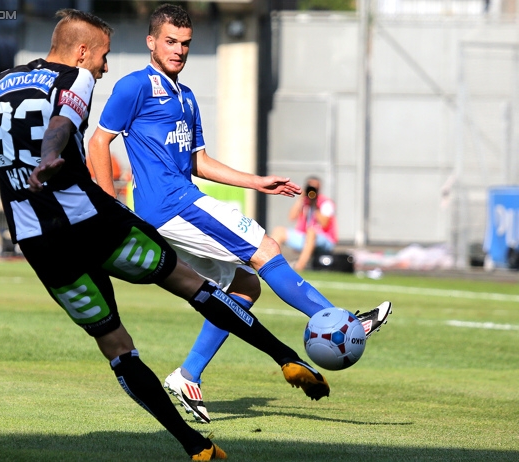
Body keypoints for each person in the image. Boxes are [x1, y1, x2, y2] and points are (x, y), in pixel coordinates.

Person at [0, 9, 331, 461]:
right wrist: (53, 155)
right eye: (103, 57)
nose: (105, 67)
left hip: (37, 240)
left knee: (117, 348)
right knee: (193, 284)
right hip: (92, 221)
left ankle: (196, 447)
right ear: (83, 50)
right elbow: (66, 126)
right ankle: (286, 356)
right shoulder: (77, 75)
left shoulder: (1, 81)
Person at [88, 3, 392, 425]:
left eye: (186, 43)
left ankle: (188, 374)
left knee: (247, 286)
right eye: (171, 42)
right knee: (265, 248)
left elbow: (199, 161)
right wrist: (111, 208)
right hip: (174, 205)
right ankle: (339, 319)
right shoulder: (134, 86)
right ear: (151, 42)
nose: (179, 50)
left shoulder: (187, 97)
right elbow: (98, 143)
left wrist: (255, 181)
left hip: (182, 200)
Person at [270, 176, 338, 271]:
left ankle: (299, 267)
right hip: (304, 237)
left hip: (324, 239)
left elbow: (324, 223)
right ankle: (271, 265)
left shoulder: (326, 203)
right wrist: (300, 199)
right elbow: (291, 217)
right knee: (279, 231)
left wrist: (314, 205)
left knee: (311, 232)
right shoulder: (303, 202)